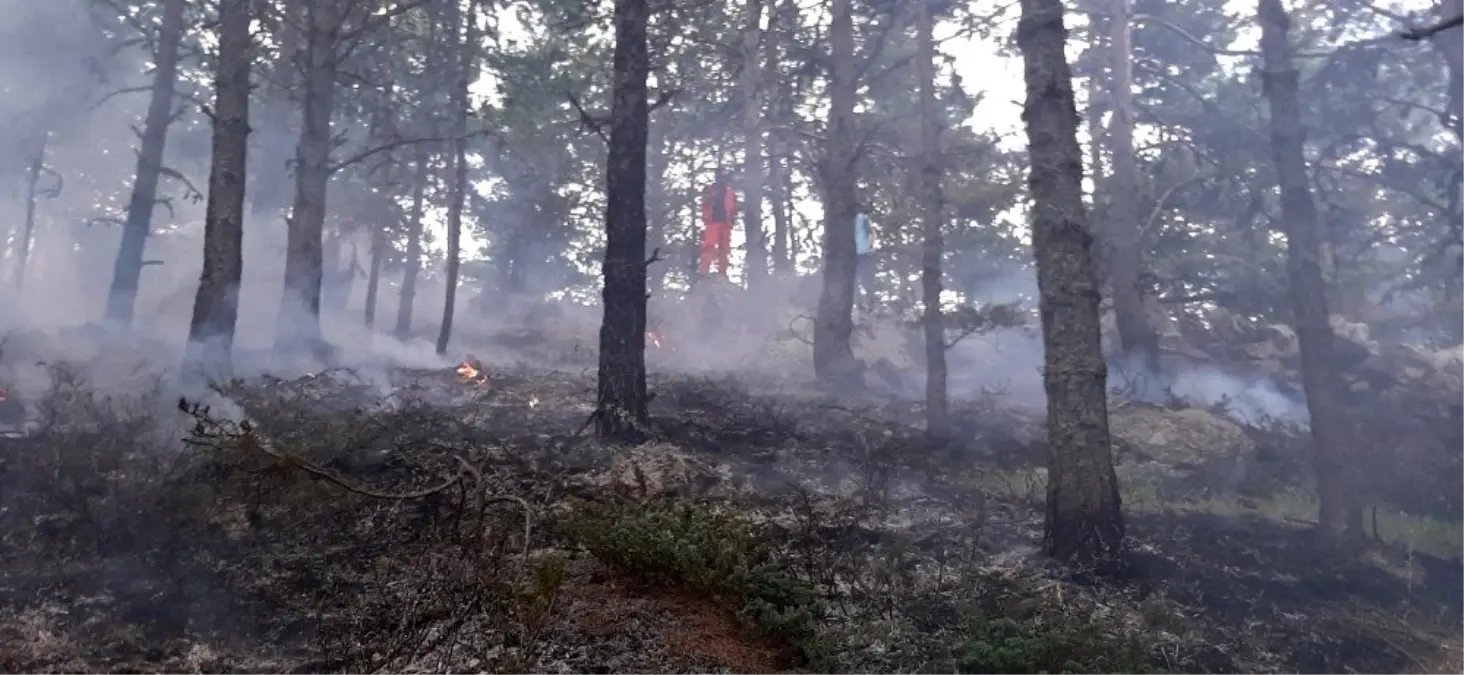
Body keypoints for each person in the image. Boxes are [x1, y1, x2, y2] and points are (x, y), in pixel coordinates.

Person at [699, 169, 737, 279]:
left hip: (725, 223)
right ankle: (704, 271)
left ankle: (722, 273)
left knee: (724, 249)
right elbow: (704, 203)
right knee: (709, 246)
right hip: (712, 222)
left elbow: (733, 208)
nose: (721, 180)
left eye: (723, 177)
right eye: (719, 177)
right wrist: (705, 217)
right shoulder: (709, 190)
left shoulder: (730, 192)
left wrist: (732, 220)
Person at [854, 210, 876, 310]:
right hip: (855, 254)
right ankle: (860, 305)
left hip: (863, 253)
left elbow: (872, 233)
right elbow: (872, 233)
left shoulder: (862, 218)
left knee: (866, 281)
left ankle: (870, 304)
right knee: (856, 282)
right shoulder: (860, 217)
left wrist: (871, 246)